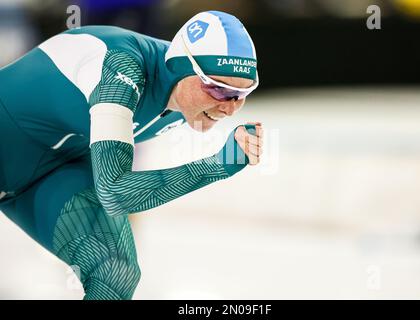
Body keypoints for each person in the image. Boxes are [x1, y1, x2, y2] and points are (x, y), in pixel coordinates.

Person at [0, 11, 263, 300]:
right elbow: (115, 192)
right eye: (218, 90)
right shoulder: (120, 67)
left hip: (53, 169)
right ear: (183, 69)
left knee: (114, 272)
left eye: (241, 94)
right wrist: (218, 165)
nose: (229, 108)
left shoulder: (187, 95)